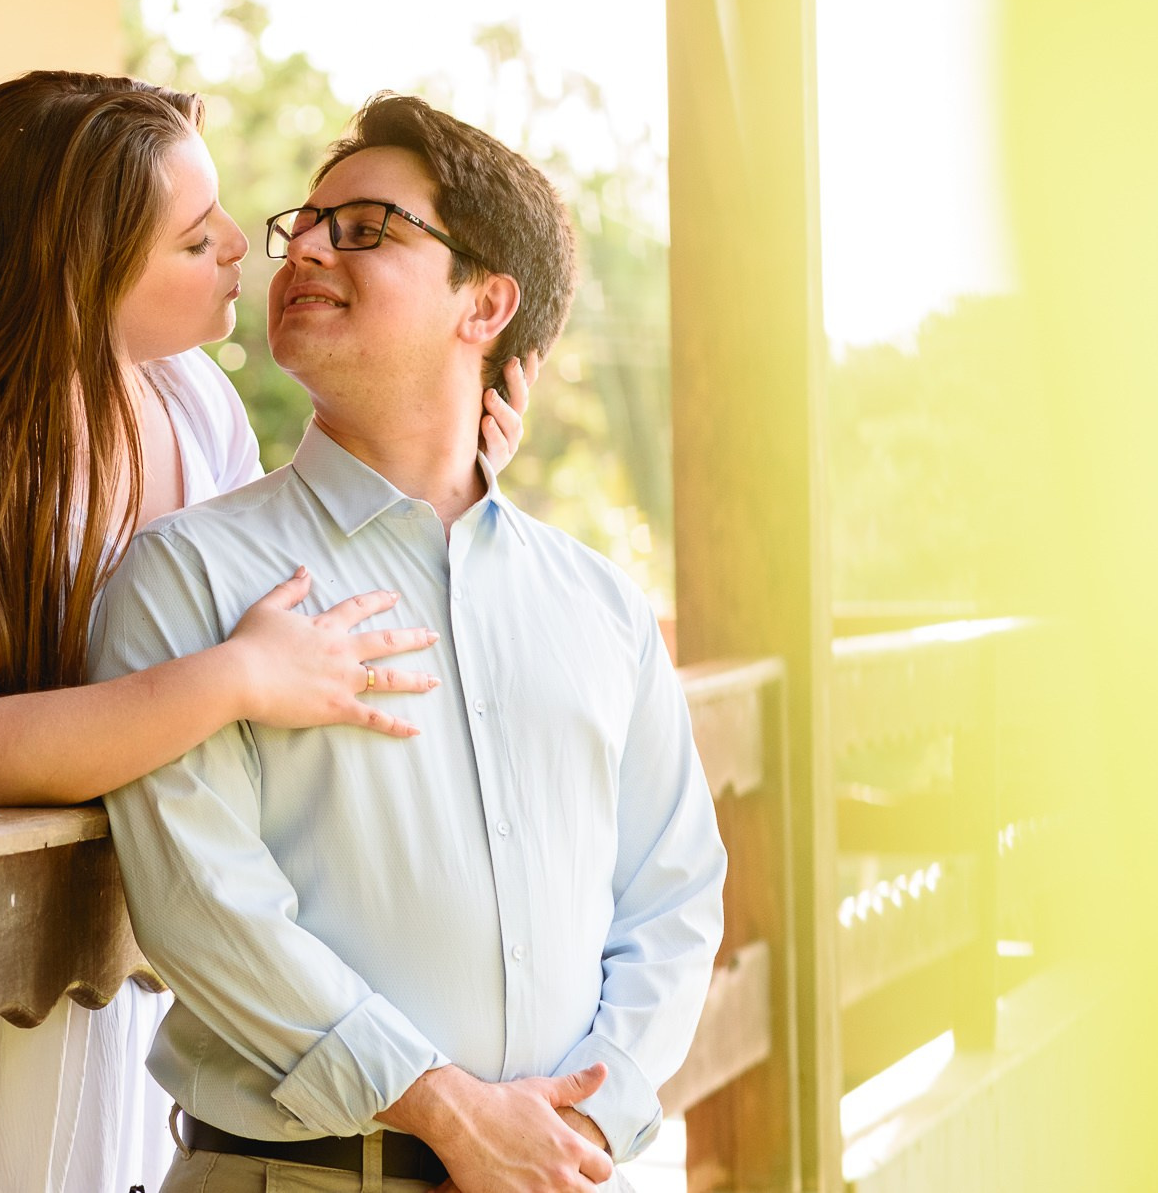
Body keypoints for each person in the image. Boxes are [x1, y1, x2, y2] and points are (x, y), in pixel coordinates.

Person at [0, 72, 533, 1193]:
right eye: (192, 235)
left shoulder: (186, 403)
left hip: (76, 944)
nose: (240, 251)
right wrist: (234, 677)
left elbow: (313, 615)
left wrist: (464, 476)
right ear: (74, 264)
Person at [93, 94, 727, 1193]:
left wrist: (586, 1117)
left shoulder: (602, 607)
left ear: (486, 302)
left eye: (366, 226)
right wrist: (448, 1110)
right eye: (306, 225)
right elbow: (205, 907)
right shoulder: (187, 577)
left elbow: (671, 893)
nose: (303, 252)